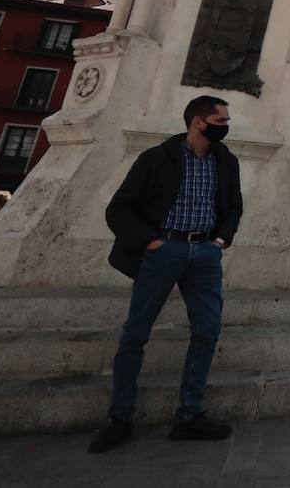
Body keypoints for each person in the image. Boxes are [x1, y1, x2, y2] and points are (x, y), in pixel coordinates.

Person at [88, 96, 243, 454]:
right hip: (164, 251)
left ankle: (190, 415)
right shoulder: (156, 158)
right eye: (221, 119)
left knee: (207, 331)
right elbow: (119, 208)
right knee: (135, 334)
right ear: (199, 122)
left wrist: (222, 237)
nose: (226, 125)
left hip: (205, 253)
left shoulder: (226, 161)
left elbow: (234, 205)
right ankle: (120, 417)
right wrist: (150, 242)